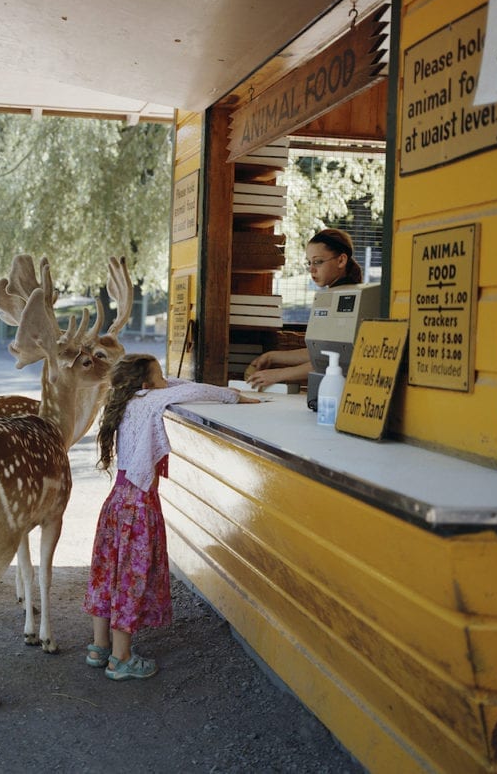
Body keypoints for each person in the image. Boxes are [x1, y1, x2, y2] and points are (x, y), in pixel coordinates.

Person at [83, 353, 259, 680]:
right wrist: (234, 396)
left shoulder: (130, 399)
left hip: (117, 501)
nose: (167, 380)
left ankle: (99, 646)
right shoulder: (152, 401)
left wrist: (159, 380)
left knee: (107, 571)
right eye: (160, 374)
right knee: (130, 578)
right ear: (147, 385)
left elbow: (178, 385)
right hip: (138, 505)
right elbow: (192, 391)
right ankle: (121, 659)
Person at [246, 228, 364, 390]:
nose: (311, 269)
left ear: (341, 260)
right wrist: (272, 356)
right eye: (309, 262)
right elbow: (321, 354)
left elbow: (338, 359)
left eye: (318, 261)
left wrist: (277, 375)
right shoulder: (331, 296)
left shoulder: (350, 298)